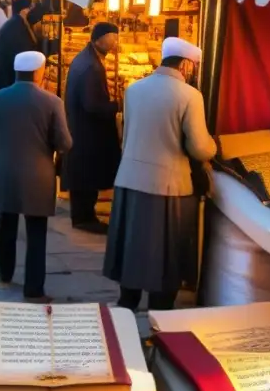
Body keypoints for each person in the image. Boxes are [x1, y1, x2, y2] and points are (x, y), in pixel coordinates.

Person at [103, 37, 216, 312]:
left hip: (130, 178)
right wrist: (215, 146)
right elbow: (199, 148)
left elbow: (127, 132)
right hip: (169, 185)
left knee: (132, 247)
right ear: (187, 65)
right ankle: (159, 312)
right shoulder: (189, 95)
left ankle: (127, 303)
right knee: (165, 255)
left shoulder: (133, 89)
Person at [0, 51, 72, 303]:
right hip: (39, 175)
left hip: (6, 171)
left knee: (5, 223)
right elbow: (64, 142)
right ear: (39, 72)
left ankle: (4, 272)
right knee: (36, 231)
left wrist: (3, 146)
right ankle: (33, 288)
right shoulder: (52, 102)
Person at [63, 23, 121, 234]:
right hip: (86, 130)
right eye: (112, 37)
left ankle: (84, 215)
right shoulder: (91, 67)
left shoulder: (87, 59)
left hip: (81, 127)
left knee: (85, 173)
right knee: (87, 173)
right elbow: (92, 105)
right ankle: (84, 217)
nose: (115, 42)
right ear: (99, 38)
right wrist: (117, 105)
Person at [0, 0, 37, 92]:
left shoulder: (15, 24)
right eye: (30, 9)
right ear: (24, 11)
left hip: (6, 82)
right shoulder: (17, 27)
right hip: (9, 82)